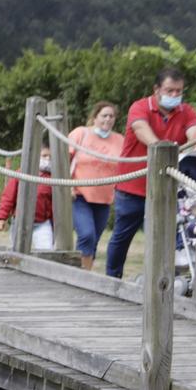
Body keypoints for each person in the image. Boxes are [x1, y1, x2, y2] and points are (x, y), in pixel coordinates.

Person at [105, 68, 196, 279]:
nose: (175, 95)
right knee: (122, 237)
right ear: (157, 89)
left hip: (166, 188)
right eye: (170, 90)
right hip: (132, 186)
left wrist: (195, 147)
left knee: (162, 236)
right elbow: (141, 129)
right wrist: (162, 148)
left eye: (179, 91)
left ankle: (159, 280)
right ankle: (112, 278)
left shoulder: (187, 111)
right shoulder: (140, 107)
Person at [67, 101, 125, 270]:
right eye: (104, 115)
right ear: (95, 117)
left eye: (112, 116)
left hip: (104, 198)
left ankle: (85, 273)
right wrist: (67, 185)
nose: (108, 119)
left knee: (94, 240)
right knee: (86, 235)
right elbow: (64, 158)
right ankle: (81, 275)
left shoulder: (119, 140)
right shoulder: (80, 133)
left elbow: (124, 166)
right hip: (79, 194)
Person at [0, 147, 56, 252]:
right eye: (44, 156)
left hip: (42, 223)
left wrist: (54, 225)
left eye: (50, 157)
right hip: (20, 221)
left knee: (46, 251)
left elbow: (54, 206)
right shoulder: (21, 173)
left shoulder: (53, 178)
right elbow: (8, 197)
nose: (47, 159)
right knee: (17, 250)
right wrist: (2, 218)